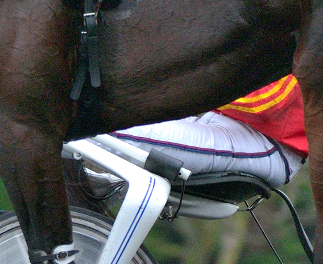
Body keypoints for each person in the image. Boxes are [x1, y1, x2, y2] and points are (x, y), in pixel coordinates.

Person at [112, 75, 307, 187]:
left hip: (267, 144)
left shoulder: (305, 28)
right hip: (217, 124)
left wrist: (189, 81)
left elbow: (266, 102)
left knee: (104, 132)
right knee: (109, 122)